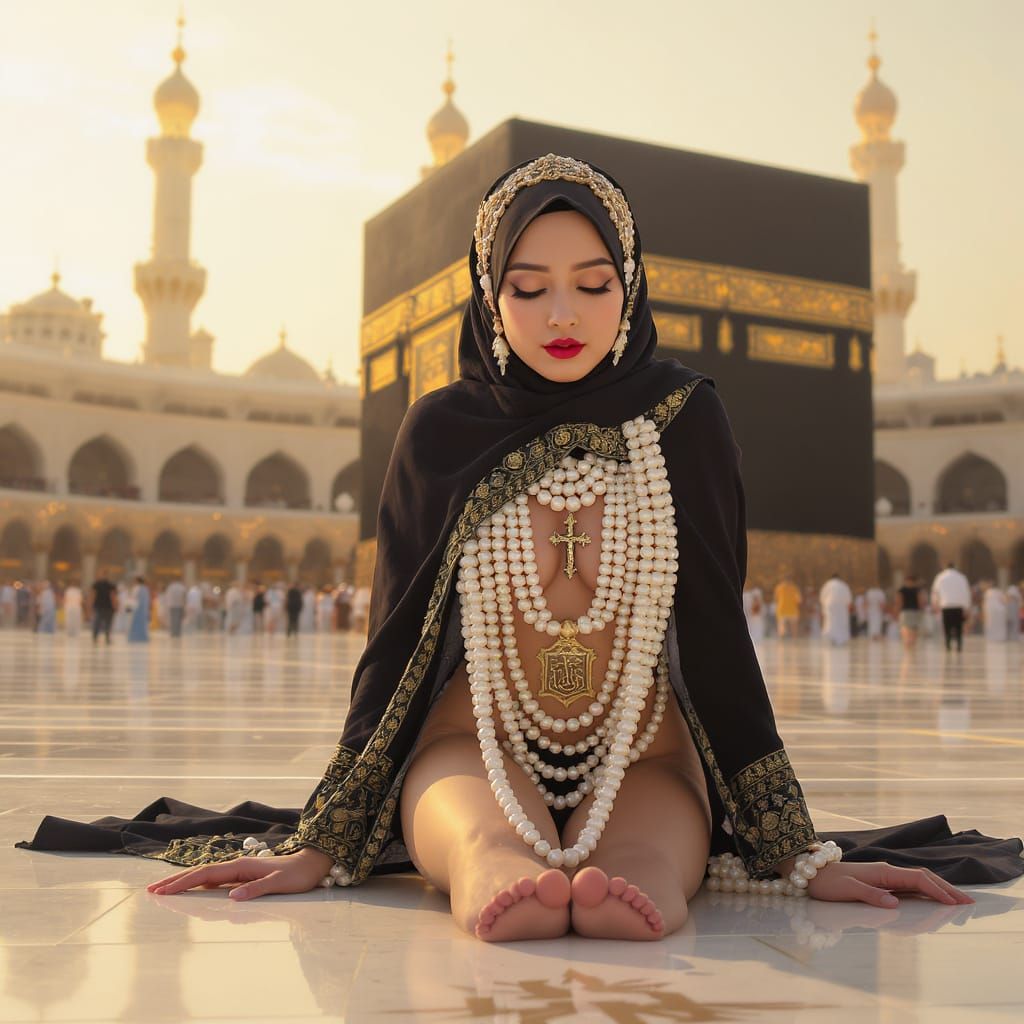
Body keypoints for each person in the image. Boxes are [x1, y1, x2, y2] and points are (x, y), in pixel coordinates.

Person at [22, 154, 1019, 942]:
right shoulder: (440, 432)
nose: (561, 314)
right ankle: (497, 869)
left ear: (626, 287)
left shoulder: (682, 421)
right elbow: (395, 642)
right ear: (488, 297)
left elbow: (716, 631)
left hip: (645, 750)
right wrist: (329, 836)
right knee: (475, 832)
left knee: (645, 862)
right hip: (474, 741)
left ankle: (629, 874)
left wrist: (797, 849)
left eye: (590, 284)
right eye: (529, 286)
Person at [931, 562, 971, 653]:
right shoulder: (961, 577)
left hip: (946, 605)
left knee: (947, 626)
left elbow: (935, 592)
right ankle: (959, 645)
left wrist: (935, 604)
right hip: (958, 606)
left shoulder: (940, 577)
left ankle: (948, 644)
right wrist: (967, 607)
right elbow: (966, 593)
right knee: (958, 626)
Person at [819, 573, 852, 646]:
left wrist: (823, 607)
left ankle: (831, 638)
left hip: (830, 605)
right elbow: (848, 598)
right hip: (841, 606)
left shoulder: (827, 585)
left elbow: (822, 597)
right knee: (841, 622)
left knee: (831, 621)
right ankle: (840, 639)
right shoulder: (843, 585)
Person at [896, 574, 924, 649]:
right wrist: (921, 609)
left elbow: (899, 601)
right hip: (915, 610)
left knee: (905, 626)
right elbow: (920, 600)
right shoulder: (917, 589)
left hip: (905, 610)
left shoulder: (902, 589)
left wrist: (898, 610)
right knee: (914, 626)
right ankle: (912, 641)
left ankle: (907, 640)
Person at [89, 570, 117, 644]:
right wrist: (91, 605)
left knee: (107, 623)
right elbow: (93, 595)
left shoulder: (110, 585)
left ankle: (106, 637)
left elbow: (112, 596)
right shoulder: (96, 585)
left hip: (108, 607)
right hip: (99, 606)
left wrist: (114, 606)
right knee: (97, 622)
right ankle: (95, 637)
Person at [773, 575, 801, 639]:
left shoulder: (779, 587)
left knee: (782, 628)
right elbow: (799, 600)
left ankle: (781, 641)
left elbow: (775, 598)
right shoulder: (794, 588)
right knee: (794, 627)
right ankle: (794, 640)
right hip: (792, 610)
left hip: (782, 609)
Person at [127, 576, 151, 643]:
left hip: (136, 609)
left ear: (137, 581)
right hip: (144, 610)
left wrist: (129, 608)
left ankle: (135, 637)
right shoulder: (146, 589)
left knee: (135, 624)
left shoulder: (136, 588)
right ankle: (142, 637)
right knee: (143, 624)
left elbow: (132, 598)